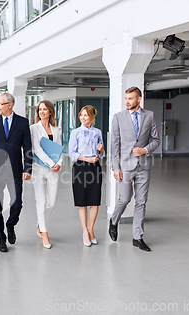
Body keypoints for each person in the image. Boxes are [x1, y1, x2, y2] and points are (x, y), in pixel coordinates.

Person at [109, 86, 160, 252]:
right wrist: (115, 167)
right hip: (125, 166)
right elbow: (114, 145)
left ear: (139, 99)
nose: (127, 101)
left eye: (130, 98)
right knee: (124, 199)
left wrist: (145, 150)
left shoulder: (150, 116)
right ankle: (114, 221)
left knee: (141, 202)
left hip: (143, 166)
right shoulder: (118, 118)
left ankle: (137, 237)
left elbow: (156, 139)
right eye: (126, 98)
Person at [0, 92, 33, 252]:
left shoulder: (22, 123)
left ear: (9, 105)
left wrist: (28, 168)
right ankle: (0, 238)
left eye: (0, 104)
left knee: (17, 203)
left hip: (15, 170)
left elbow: (28, 148)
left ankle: (10, 225)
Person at [69, 105, 105, 247]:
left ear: (92, 117)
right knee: (82, 201)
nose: (83, 118)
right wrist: (86, 159)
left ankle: (91, 229)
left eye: (86, 115)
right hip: (80, 168)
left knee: (95, 200)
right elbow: (72, 154)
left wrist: (101, 150)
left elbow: (102, 154)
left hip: (95, 167)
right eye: (81, 115)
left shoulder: (98, 132)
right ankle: (85, 231)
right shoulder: (75, 132)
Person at [30, 100, 62, 249]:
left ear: (50, 111)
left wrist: (59, 164)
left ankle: (39, 223)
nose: (42, 112)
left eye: (44, 109)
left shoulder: (56, 129)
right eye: (39, 110)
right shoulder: (34, 129)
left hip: (53, 170)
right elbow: (36, 149)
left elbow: (59, 149)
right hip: (38, 168)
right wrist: (51, 163)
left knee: (52, 202)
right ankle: (44, 232)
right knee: (41, 201)